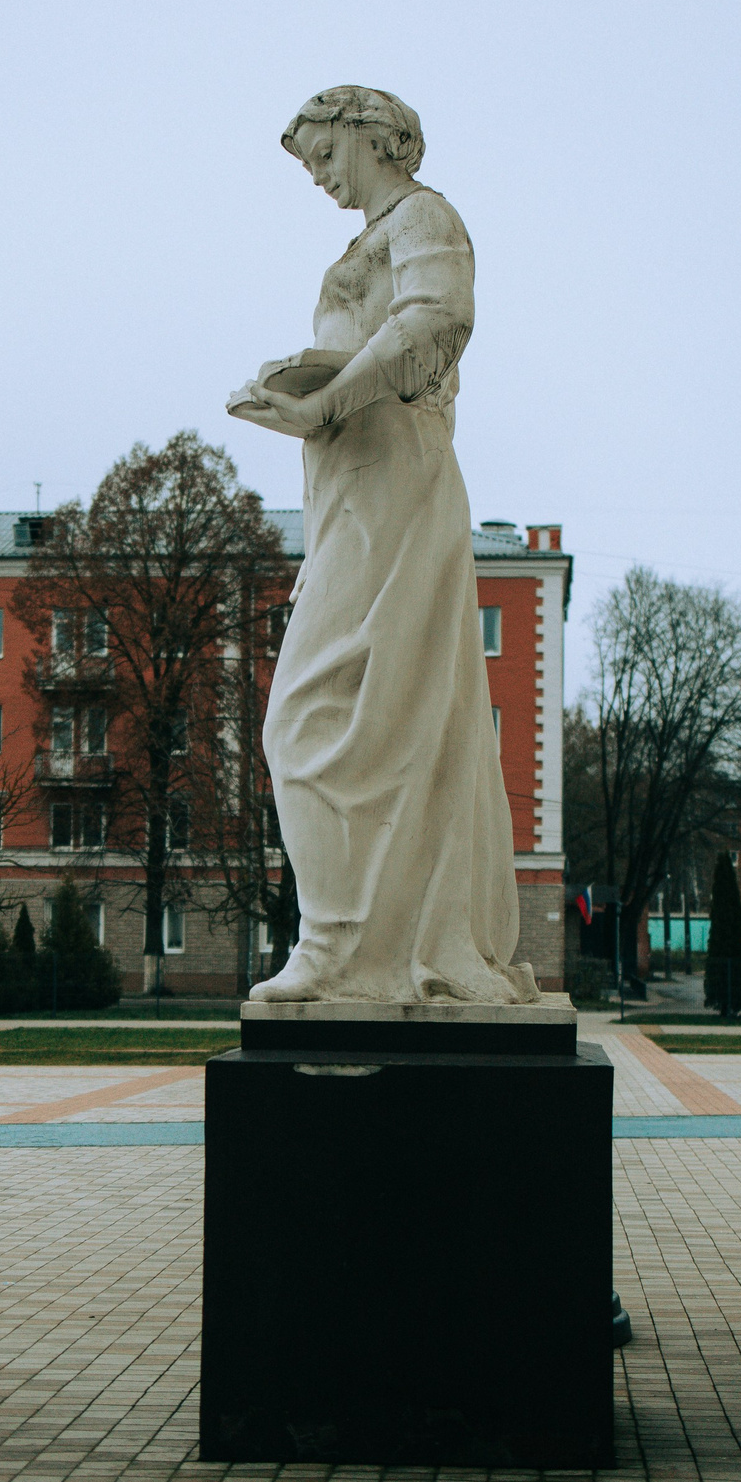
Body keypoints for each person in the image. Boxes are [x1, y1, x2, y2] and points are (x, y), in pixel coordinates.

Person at [227, 86, 538, 1005]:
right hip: (349, 497)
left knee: (311, 717)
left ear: (373, 135)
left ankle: (334, 943)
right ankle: (356, 944)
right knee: (383, 717)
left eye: (327, 155)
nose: (320, 177)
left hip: (399, 487)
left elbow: (435, 321)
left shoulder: (424, 216)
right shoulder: (357, 246)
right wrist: (300, 399)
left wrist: (324, 400)